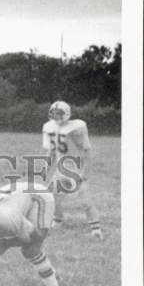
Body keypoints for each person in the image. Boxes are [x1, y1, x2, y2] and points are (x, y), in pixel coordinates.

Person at [43, 100, 103, 239]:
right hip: (61, 168)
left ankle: (96, 228)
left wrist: (85, 173)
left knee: (85, 200)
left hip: (77, 168)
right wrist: (46, 169)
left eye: (59, 113)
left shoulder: (77, 127)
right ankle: (58, 220)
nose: (57, 116)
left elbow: (87, 151)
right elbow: (51, 152)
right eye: (54, 113)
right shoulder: (49, 127)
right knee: (54, 197)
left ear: (67, 113)